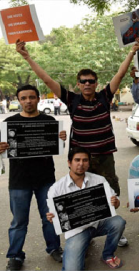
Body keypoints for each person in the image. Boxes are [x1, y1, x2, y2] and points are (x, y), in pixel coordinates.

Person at [16, 37, 139, 201]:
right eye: (83, 81)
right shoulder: (72, 99)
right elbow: (46, 79)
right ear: (78, 84)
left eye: (91, 81)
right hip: (80, 159)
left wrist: (133, 51)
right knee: (82, 198)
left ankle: (109, 226)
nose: (87, 83)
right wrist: (27, 57)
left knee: (110, 196)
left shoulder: (104, 97)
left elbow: (120, 73)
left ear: (96, 83)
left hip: (104, 157)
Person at [1, 85, 67, 270]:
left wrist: (60, 138)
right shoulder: (9, 123)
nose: (28, 101)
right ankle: (15, 256)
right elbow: (2, 149)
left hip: (45, 179)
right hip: (19, 181)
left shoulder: (49, 120)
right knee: (19, 222)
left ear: (38, 99)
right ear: (19, 101)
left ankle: (54, 248)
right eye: (23, 98)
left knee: (50, 217)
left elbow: (57, 145)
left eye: (31, 97)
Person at [47, 147, 126, 270]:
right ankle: (83, 245)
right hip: (77, 232)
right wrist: (52, 217)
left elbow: (116, 202)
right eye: (77, 160)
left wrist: (115, 202)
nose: (81, 164)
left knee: (118, 222)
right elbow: (55, 216)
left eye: (85, 160)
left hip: (97, 223)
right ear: (69, 162)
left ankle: (108, 255)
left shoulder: (99, 180)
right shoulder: (56, 188)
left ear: (89, 163)